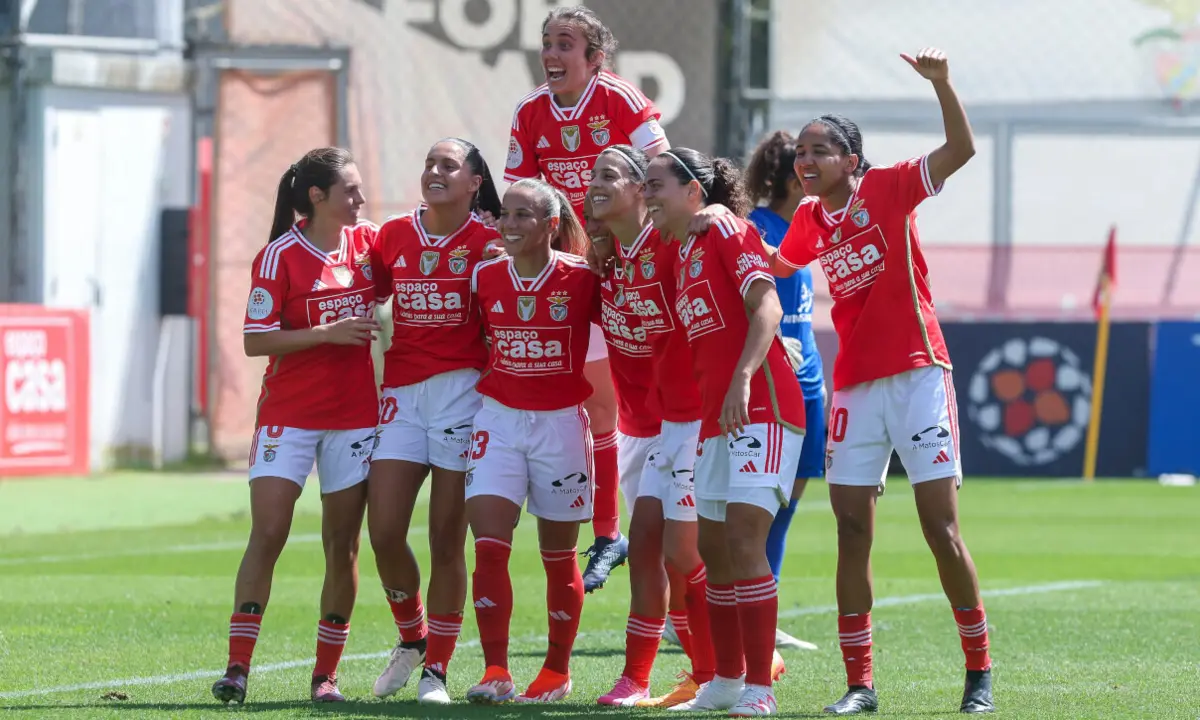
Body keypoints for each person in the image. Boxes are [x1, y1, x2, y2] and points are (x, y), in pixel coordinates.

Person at [767, 49, 994, 715]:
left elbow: (961, 148)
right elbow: (775, 262)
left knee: (940, 529)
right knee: (850, 531)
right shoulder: (809, 219)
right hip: (855, 387)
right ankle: (860, 684)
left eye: (820, 149)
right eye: (800, 152)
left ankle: (978, 671)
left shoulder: (892, 187)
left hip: (920, 374)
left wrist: (943, 83)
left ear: (852, 160)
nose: (805, 161)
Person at [503, 5, 673, 589]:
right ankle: (609, 533)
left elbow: (664, 171)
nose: (551, 54)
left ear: (594, 57)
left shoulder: (622, 100)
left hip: (623, 265)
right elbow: (521, 197)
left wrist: (625, 240)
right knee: (597, 406)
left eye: (565, 44)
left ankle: (658, 552)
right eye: (547, 42)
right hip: (571, 272)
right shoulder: (530, 112)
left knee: (630, 403)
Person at [212, 147, 387, 705]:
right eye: (350, 190)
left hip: (355, 416)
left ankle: (325, 678)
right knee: (268, 535)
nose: (360, 199)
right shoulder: (279, 256)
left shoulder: (368, 244)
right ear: (317, 196)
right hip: (288, 416)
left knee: (343, 544)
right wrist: (325, 333)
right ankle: (237, 668)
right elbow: (254, 339)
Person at [644, 147, 806, 716]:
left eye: (655, 184)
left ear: (694, 192)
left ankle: (760, 687)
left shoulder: (724, 231)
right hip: (718, 417)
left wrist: (742, 378)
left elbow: (768, 309)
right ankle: (727, 681)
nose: (647, 195)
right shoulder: (684, 247)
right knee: (712, 549)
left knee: (742, 539)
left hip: (762, 404)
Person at [367, 138, 502, 705]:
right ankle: (412, 636)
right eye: (428, 162)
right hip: (401, 393)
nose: (434, 172)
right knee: (384, 531)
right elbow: (366, 296)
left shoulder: (492, 243)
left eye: (448, 165)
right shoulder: (392, 235)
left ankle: (437, 672)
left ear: (475, 182)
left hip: (462, 397)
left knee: (447, 539)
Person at [583, 148, 716, 709]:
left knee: (682, 553)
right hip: (639, 427)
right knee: (653, 556)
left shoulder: (672, 243)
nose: (594, 184)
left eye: (609, 175)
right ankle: (673, 674)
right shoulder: (603, 258)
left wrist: (716, 218)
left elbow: (735, 266)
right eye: (591, 176)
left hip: (687, 419)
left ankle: (711, 669)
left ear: (644, 189)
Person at [464, 178, 600, 704]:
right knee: (490, 548)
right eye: (506, 215)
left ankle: (557, 672)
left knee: (557, 553)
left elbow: (629, 327)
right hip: (496, 422)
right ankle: (495, 670)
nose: (511, 224)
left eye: (524, 216)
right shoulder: (485, 276)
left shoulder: (582, 277)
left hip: (561, 425)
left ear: (549, 225)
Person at [745, 131, 827, 653]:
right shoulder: (756, 227)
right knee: (754, 504)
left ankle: (764, 608)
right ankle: (696, 606)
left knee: (789, 501)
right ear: (786, 176)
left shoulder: (809, 226)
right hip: (775, 384)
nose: (811, 171)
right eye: (803, 163)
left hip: (811, 379)